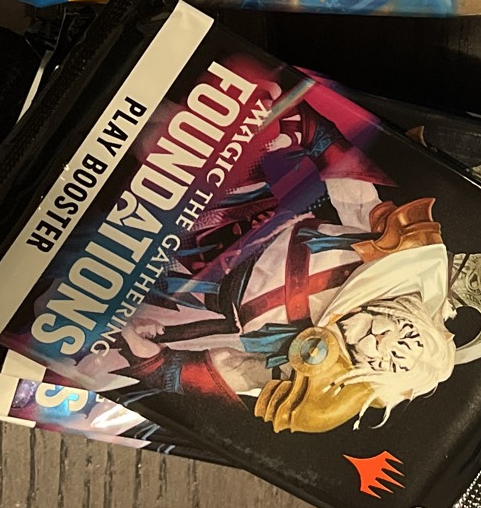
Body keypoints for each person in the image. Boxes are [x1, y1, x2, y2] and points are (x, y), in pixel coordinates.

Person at [109, 179, 461, 427]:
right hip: (246, 203)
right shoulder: (390, 255)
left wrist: (148, 359)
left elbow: (231, 371)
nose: (383, 342)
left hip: (183, 290)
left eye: (390, 360)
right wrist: (301, 129)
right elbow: (350, 185)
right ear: (407, 314)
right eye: (405, 336)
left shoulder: (307, 367)